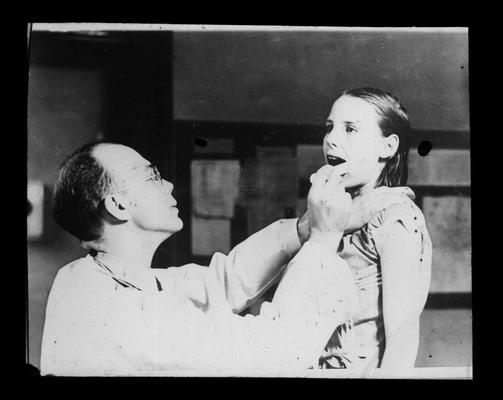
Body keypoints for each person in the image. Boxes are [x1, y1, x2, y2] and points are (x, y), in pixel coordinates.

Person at [40, 141, 409, 376]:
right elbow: (277, 348)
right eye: (152, 176)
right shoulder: (107, 307)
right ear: (117, 205)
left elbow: (222, 281)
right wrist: (325, 237)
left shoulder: (98, 279)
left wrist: (306, 226)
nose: (168, 184)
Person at [289, 87, 432, 373]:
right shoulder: (324, 216)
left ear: (387, 147)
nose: (331, 139)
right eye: (329, 128)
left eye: (350, 129)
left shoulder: (396, 217)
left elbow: (403, 334)